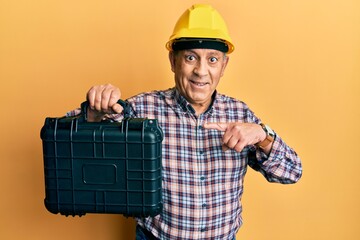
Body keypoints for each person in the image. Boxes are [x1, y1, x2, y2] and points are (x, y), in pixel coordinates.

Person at [67, 4, 302, 239]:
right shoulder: (142, 109)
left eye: (212, 59)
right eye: (191, 57)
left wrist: (263, 136)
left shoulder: (240, 113)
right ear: (173, 61)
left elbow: (292, 172)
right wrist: (94, 114)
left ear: (224, 66)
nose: (201, 71)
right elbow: (69, 140)